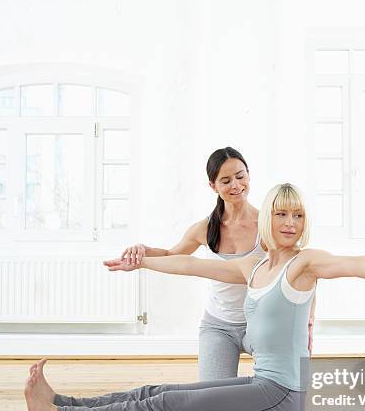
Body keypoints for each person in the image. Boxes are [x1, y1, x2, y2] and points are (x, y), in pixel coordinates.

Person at [24, 183, 365, 411]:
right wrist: (141, 262)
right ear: (268, 218)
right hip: (261, 387)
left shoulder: (303, 264)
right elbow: (192, 264)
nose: (291, 223)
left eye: (299, 216)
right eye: (283, 214)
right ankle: (63, 403)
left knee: (166, 408)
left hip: (280, 401)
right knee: (157, 391)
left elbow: (359, 263)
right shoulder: (255, 267)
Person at [119, 146, 314, 381]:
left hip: (261, 323)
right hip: (218, 326)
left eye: (241, 176)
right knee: (212, 399)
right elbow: (173, 256)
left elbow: (302, 268)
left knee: (278, 388)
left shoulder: (269, 223)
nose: (236, 185)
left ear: (249, 176)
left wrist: (308, 322)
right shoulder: (204, 228)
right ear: (213, 186)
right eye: (226, 180)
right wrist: (143, 252)